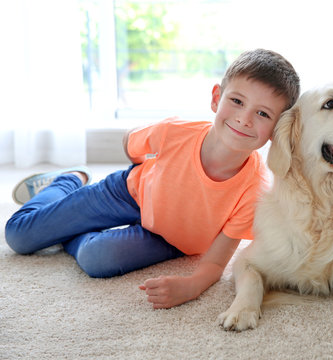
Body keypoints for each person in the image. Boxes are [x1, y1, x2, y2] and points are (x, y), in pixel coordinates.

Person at [5, 48, 300, 309]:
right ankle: (68, 181)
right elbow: (131, 145)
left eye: (262, 113)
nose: (244, 119)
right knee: (19, 235)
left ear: (277, 129)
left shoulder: (255, 190)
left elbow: (216, 262)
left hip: (170, 240)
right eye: (236, 101)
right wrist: (141, 173)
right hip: (127, 192)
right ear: (215, 98)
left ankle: (69, 227)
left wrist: (191, 286)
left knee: (97, 258)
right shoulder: (174, 131)